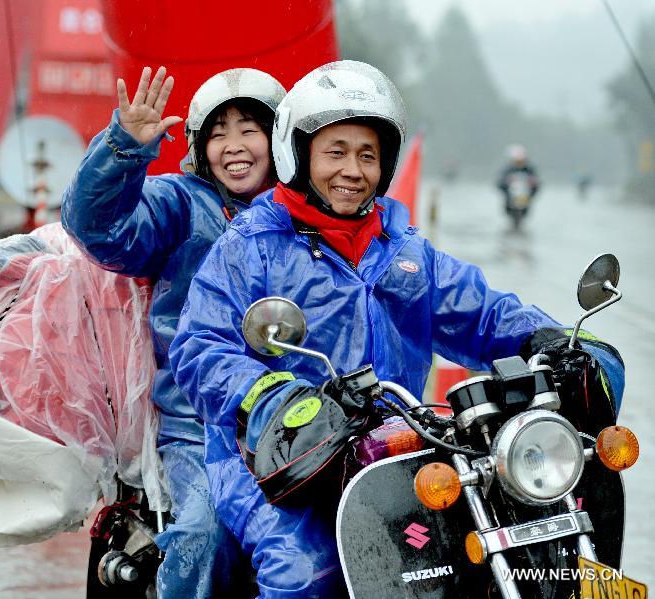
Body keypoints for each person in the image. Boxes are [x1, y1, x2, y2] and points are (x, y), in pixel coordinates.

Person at [169, 61, 625, 597]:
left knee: (509, 539)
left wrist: (553, 340)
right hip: (278, 461)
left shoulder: (404, 251)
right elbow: (200, 348)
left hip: (399, 449)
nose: (352, 170)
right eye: (335, 152)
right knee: (305, 569)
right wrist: (276, 397)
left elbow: (483, 312)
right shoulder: (252, 245)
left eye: (368, 155)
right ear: (299, 154)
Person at [61, 65, 286, 597]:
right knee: (204, 533)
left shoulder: (305, 212)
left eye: (249, 128)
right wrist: (123, 147)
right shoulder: (179, 203)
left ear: (280, 138)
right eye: (219, 132)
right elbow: (95, 227)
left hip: (299, 420)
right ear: (199, 145)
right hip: (199, 422)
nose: (234, 146)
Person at [496, 144, 540, 228]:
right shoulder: (507, 170)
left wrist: (532, 189)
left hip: (525, 201)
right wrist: (506, 183)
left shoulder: (530, 170)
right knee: (512, 221)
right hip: (510, 202)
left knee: (521, 221)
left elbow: (537, 186)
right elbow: (499, 184)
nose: (519, 162)